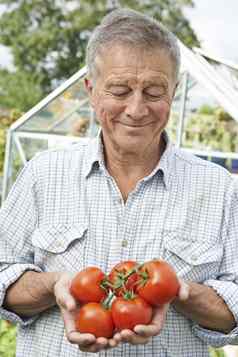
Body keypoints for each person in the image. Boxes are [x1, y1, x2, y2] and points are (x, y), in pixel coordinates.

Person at [0, 8, 238, 357]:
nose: (137, 109)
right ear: (91, 91)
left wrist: (178, 292)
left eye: (154, 92)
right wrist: (55, 286)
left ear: (174, 91)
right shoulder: (43, 174)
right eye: (120, 90)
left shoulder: (220, 189)